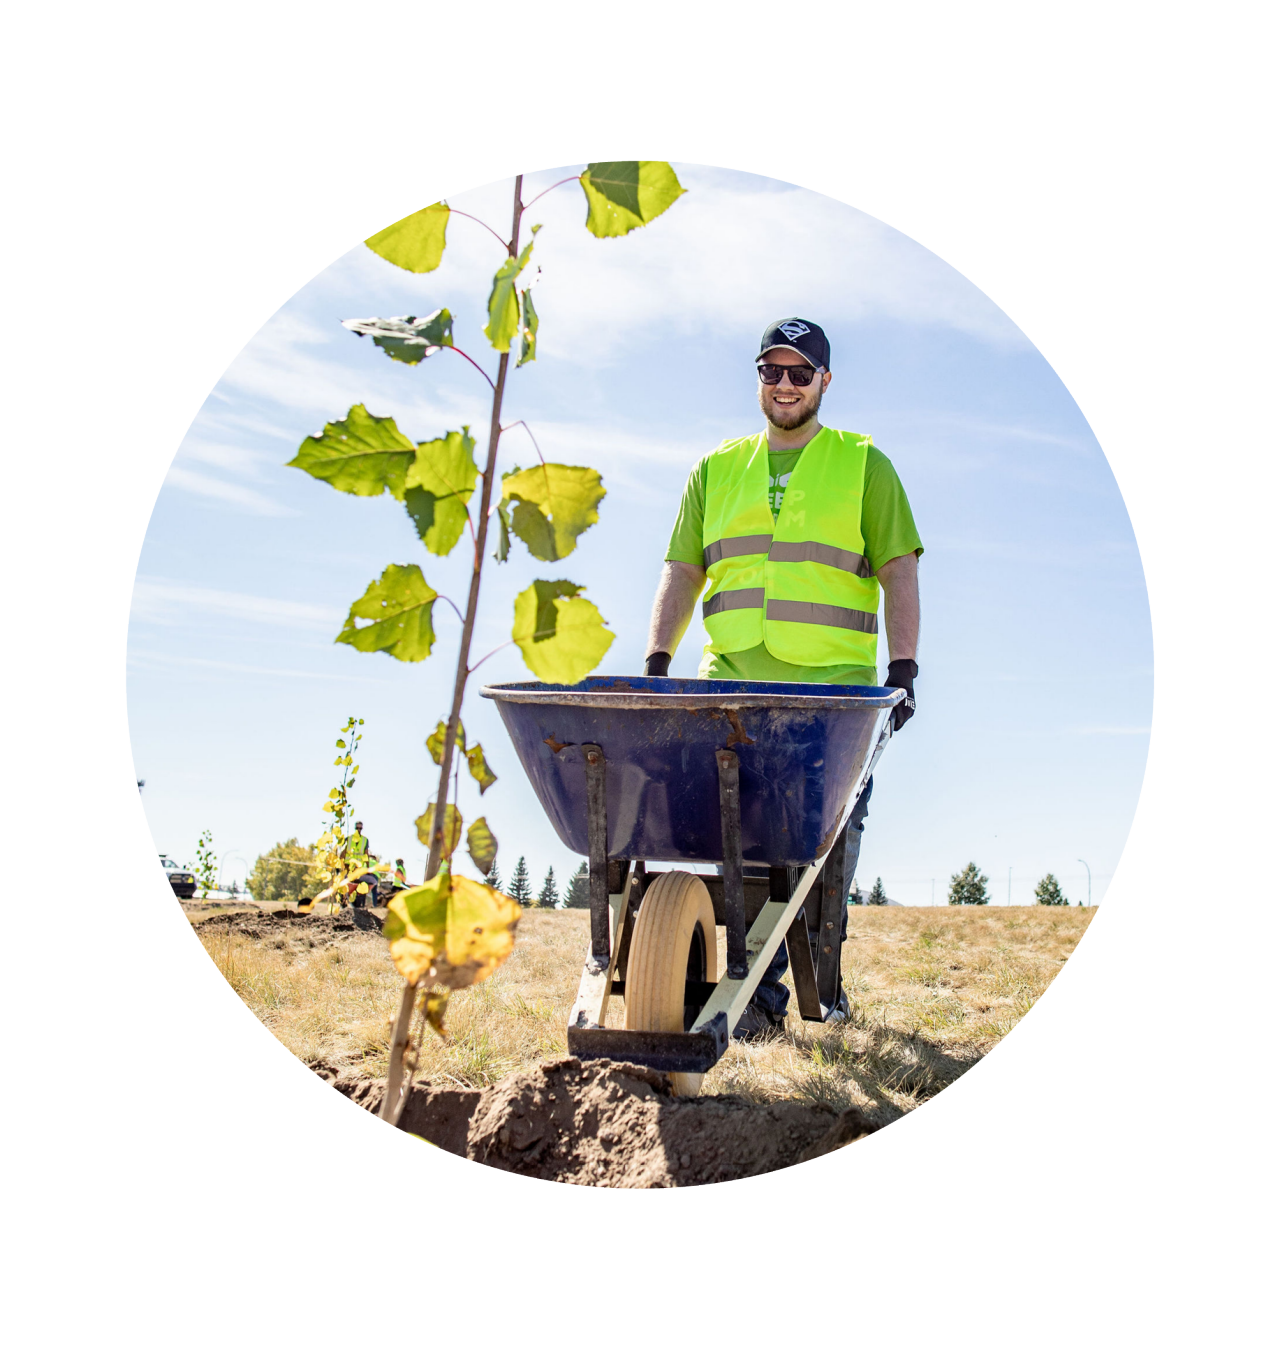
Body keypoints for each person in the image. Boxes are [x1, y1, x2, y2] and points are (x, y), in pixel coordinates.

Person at [643, 317, 923, 1036]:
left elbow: (899, 568)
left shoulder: (864, 464)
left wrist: (903, 668)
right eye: (773, 371)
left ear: (825, 381)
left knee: (823, 847)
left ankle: (812, 982)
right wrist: (656, 662)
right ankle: (741, 990)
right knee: (728, 838)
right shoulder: (715, 469)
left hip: (832, 696)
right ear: (759, 380)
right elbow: (682, 570)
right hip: (728, 684)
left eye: (802, 372)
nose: (787, 384)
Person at [344, 820, 378, 909]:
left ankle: (359, 903)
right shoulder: (349, 839)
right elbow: (344, 853)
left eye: (360, 828)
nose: (358, 830)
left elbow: (366, 855)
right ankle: (345, 902)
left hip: (359, 870)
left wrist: (367, 869)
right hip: (349, 869)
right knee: (346, 885)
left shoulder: (365, 840)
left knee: (368, 883)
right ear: (355, 828)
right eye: (357, 828)